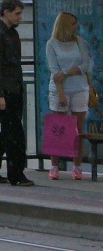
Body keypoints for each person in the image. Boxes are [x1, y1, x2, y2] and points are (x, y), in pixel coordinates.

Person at [0, 0, 33, 186]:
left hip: (14, 89)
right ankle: (16, 174)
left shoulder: (12, 34)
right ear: (6, 12)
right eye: (17, 13)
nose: (20, 17)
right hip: (4, 91)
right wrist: (0, 94)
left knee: (9, 130)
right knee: (15, 134)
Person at [45, 11, 94, 181]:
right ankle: (54, 166)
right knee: (58, 128)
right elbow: (54, 71)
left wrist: (67, 72)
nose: (76, 26)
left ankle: (77, 166)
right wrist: (61, 93)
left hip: (79, 88)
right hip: (59, 89)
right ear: (64, 25)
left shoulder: (80, 42)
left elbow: (85, 65)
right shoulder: (52, 44)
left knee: (78, 129)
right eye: (73, 23)